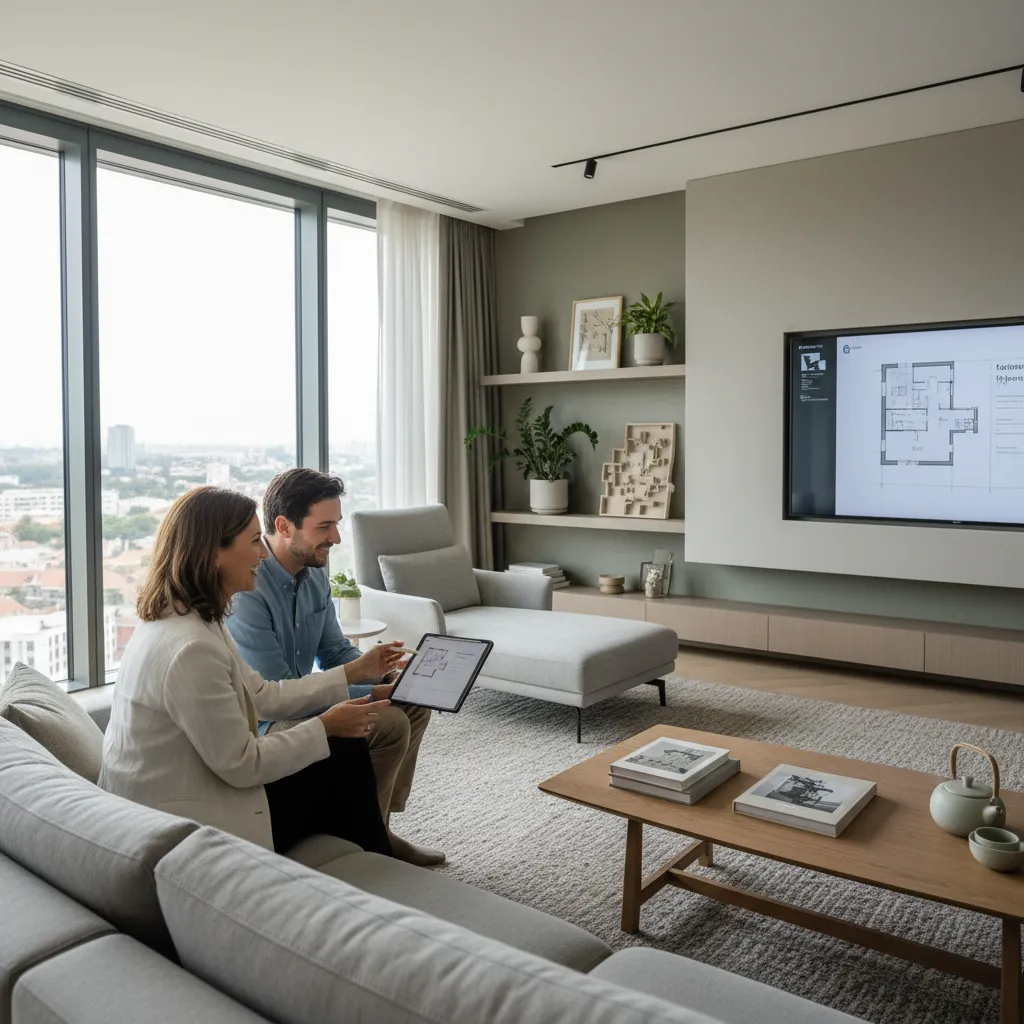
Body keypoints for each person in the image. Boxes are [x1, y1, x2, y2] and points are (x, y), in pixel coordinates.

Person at [99, 486, 405, 857]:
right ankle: (375, 862)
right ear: (214, 553)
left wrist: (360, 685)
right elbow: (243, 765)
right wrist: (326, 726)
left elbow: (261, 695)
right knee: (343, 754)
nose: (263, 553)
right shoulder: (192, 648)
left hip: (187, 792)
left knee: (342, 758)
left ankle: (370, 855)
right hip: (178, 827)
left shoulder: (190, 618)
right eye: (255, 541)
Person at [226, 468, 443, 867]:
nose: (337, 538)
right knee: (390, 720)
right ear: (283, 526)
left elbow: (334, 651)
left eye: (337, 525)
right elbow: (278, 693)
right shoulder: (248, 590)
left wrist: (387, 673)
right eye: (325, 527)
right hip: (269, 721)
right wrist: (374, 694)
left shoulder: (315, 575)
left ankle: (379, 828)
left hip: (305, 697)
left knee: (415, 701)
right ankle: (365, 838)